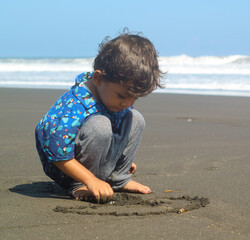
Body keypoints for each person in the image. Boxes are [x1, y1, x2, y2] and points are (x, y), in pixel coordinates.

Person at [35, 30, 164, 203]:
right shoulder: (73, 107)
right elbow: (57, 153)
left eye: (135, 97)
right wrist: (89, 180)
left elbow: (117, 131)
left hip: (98, 161)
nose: (127, 102)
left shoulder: (114, 96)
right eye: (122, 96)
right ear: (98, 78)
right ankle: (78, 185)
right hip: (66, 169)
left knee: (136, 117)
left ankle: (119, 179)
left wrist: (118, 157)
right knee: (100, 124)